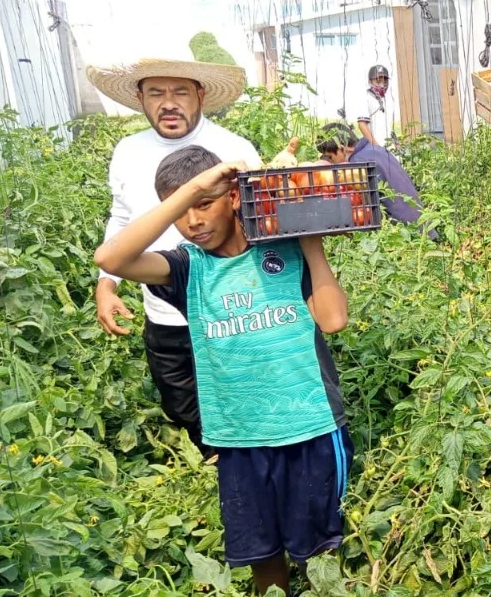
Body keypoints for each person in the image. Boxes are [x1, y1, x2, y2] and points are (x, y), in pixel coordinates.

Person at [93, 146, 351, 596]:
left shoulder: (285, 249)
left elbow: (333, 320)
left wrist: (311, 244)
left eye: (205, 204)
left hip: (309, 429)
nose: (193, 221)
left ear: (234, 197)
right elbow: (110, 259)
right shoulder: (186, 268)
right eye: (181, 211)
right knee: (262, 556)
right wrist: (196, 187)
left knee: (321, 555)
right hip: (239, 439)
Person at [87, 58, 261, 457]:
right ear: (140, 98)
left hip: (231, 310)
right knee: (183, 406)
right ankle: (217, 470)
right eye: (156, 93)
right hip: (164, 313)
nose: (168, 103)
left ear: (200, 94)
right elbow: (121, 218)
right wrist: (106, 284)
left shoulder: (235, 150)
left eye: (180, 91)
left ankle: (245, 468)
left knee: (245, 396)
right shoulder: (128, 151)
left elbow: (259, 225)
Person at [316, 122, 429, 231]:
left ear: (342, 149)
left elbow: (364, 209)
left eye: (330, 157)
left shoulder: (358, 163)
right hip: (422, 225)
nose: (331, 163)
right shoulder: (376, 150)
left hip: (404, 231)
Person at [355, 64, 392, 147]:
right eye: (378, 81)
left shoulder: (385, 100)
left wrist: (396, 143)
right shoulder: (366, 97)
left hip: (389, 148)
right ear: (370, 81)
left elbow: (388, 126)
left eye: (384, 81)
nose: (382, 85)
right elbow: (362, 124)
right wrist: (375, 145)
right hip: (376, 148)